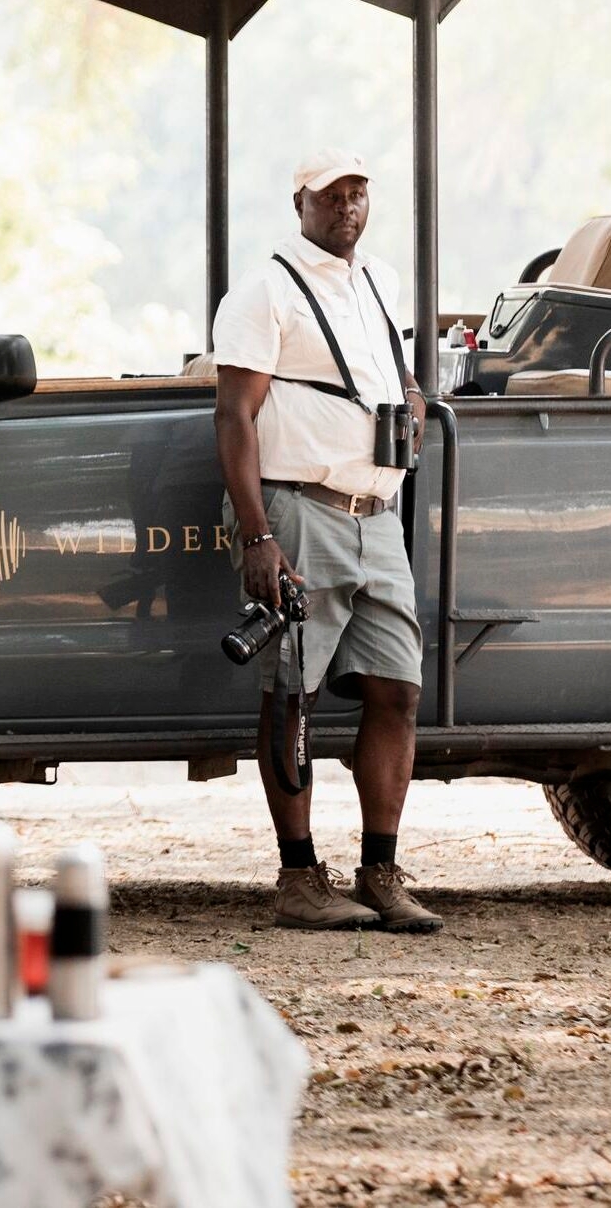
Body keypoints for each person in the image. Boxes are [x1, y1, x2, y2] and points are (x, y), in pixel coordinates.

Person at [211, 149, 442, 933]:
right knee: (293, 697)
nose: (348, 206)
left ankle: (381, 871)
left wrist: (409, 396)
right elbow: (233, 416)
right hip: (302, 509)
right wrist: (258, 536)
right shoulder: (265, 289)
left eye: (359, 192)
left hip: (378, 515)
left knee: (398, 691)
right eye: (332, 194)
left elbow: (390, 370)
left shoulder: (379, 278)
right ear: (299, 202)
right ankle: (300, 876)